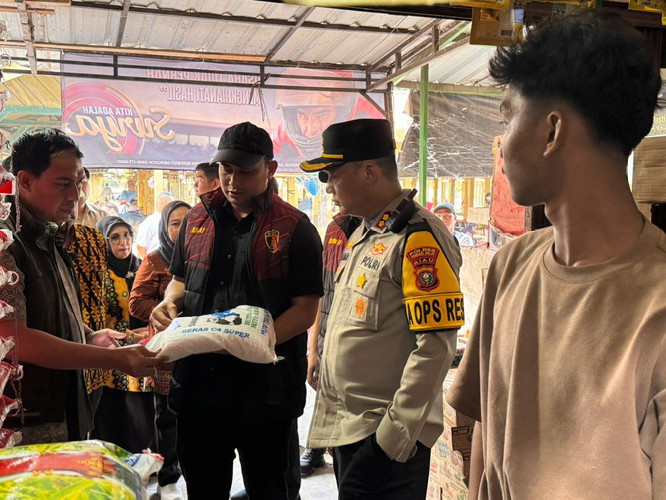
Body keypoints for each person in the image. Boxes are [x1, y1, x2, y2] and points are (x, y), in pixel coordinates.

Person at [446, 10, 666, 499]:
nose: (501, 149)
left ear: (551, 132)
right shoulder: (511, 266)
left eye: (508, 118)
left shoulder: (658, 304)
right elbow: (486, 426)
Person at [150, 121, 323, 499]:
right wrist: (168, 302)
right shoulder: (196, 218)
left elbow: (306, 308)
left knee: (270, 490)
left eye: (245, 171)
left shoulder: (295, 228)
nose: (232, 181)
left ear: (270, 169)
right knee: (203, 489)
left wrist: (252, 340)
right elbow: (179, 280)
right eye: (226, 170)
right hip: (199, 387)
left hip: (267, 393)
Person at [300, 118, 463, 499]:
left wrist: (390, 440)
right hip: (350, 429)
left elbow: (436, 347)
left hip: (385, 437)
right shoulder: (365, 231)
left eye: (332, 175)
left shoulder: (417, 236)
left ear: (369, 172)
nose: (328, 187)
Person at [0, 128, 163, 444]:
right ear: (26, 181)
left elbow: (52, 311)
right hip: (24, 422)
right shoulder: (6, 243)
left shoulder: (51, 234)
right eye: (62, 184)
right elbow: (15, 339)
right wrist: (114, 360)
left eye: (78, 183)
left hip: (64, 404)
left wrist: (87, 334)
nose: (75, 195)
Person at [129, 200, 191, 500]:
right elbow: (136, 303)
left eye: (187, 222)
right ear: (165, 228)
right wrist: (166, 312)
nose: (181, 229)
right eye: (175, 223)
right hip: (167, 353)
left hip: (200, 349)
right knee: (167, 417)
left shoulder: (204, 256)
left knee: (196, 415)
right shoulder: (156, 259)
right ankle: (168, 479)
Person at [300, 213, 360, 477]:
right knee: (324, 398)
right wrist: (313, 350)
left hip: (357, 350)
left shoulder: (389, 230)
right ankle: (316, 448)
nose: (331, 193)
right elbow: (321, 293)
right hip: (327, 340)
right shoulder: (335, 229)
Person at [91, 216, 155, 453]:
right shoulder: (97, 275)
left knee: (142, 422)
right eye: (115, 237)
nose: (123, 242)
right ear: (104, 242)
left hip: (143, 353)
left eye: (127, 235)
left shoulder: (144, 268)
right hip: (111, 359)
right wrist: (124, 335)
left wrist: (148, 331)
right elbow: (93, 318)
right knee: (114, 421)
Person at [135, 191, 175, 259]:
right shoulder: (149, 222)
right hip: (154, 261)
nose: (171, 207)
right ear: (159, 203)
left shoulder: (171, 220)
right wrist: (147, 262)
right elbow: (140, 246)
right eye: (168, 203)